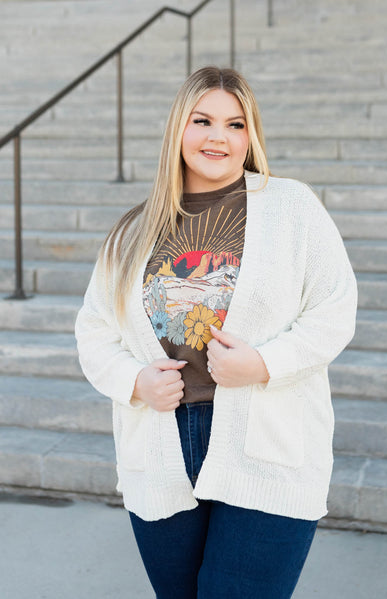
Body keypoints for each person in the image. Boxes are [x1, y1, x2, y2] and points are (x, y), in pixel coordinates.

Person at [75, 66, 358, 598]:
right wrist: (135, 381)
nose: (217, 137)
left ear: (250, 137)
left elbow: (334, 309)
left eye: (235, 124)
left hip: (265, 441)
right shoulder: (134, 229)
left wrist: (265, 363)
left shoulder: (291, 207)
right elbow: (94, 331)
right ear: (178, 127)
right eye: (203, 120)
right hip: (163, 448)